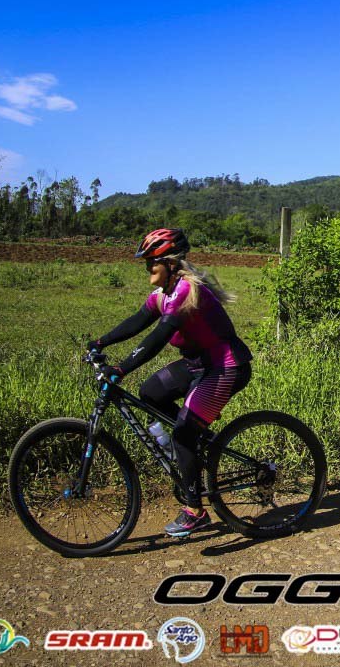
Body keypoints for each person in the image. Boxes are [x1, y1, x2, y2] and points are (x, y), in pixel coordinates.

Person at [88, 227, 253, 537]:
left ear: (171, 263)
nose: (148, 268)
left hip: (224, 367)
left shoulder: (186, 292)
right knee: (150, 393)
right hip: (198, 364)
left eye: (152, 262)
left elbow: (157, 337)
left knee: (183, 433)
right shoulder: (164, 293)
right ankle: (198, 443)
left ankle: (195, 511)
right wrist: (100, 342)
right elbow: (138, 321)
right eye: (147, 263)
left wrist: (121, 369)